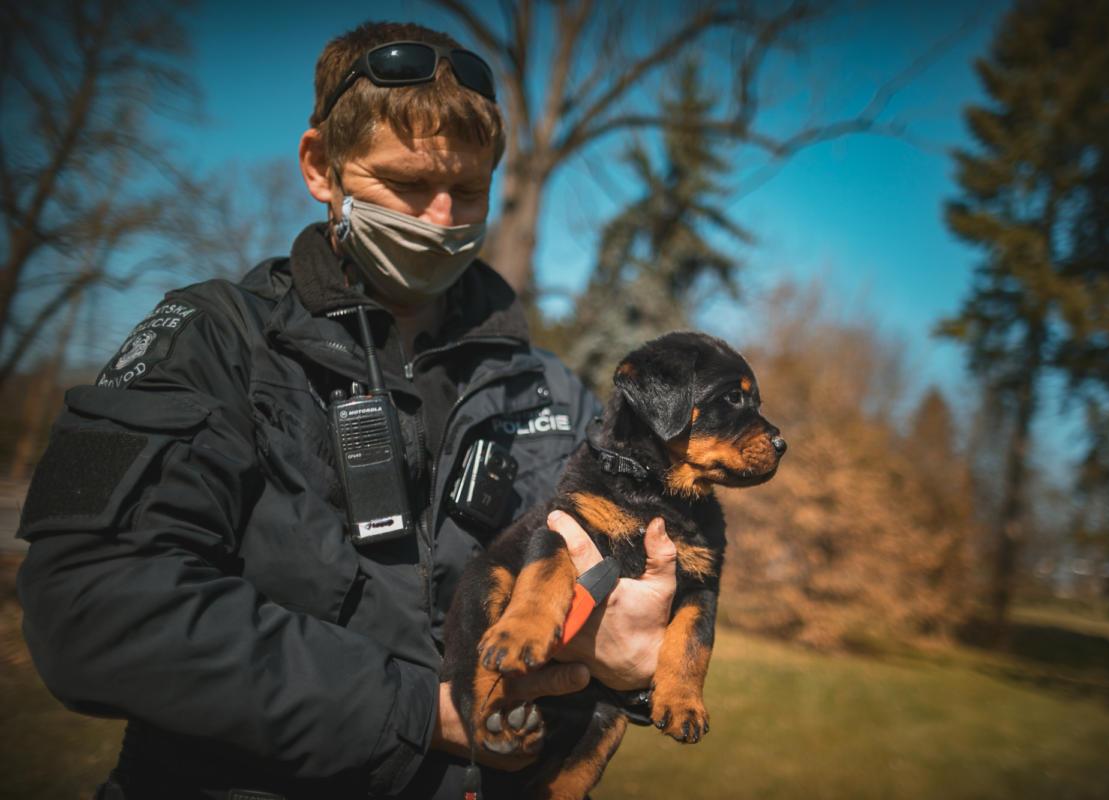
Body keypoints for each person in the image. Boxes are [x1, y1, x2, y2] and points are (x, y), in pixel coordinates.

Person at [16, 21, 676, 800]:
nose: (439, 217)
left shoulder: (552, 393)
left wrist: (630, 670)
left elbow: (627, 599)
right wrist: (416, 714)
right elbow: (94, 606)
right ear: (321, 167)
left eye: (468, 191)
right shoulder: (215, 344)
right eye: (405, 184)